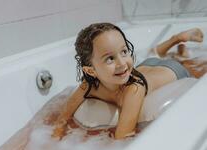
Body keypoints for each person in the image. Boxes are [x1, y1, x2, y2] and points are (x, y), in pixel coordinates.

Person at [48, 22, 206, 140]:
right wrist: (55, 137)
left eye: (124, 51)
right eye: (110, 58)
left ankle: (178, 40)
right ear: (91, 71)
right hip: (144, 67)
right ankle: (177, 43)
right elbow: (63, 117)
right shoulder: (89, 85)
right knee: (154, 56)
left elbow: (123, 136)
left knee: (192, 64)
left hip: (172, 70)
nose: (122, 63)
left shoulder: (133, 90)